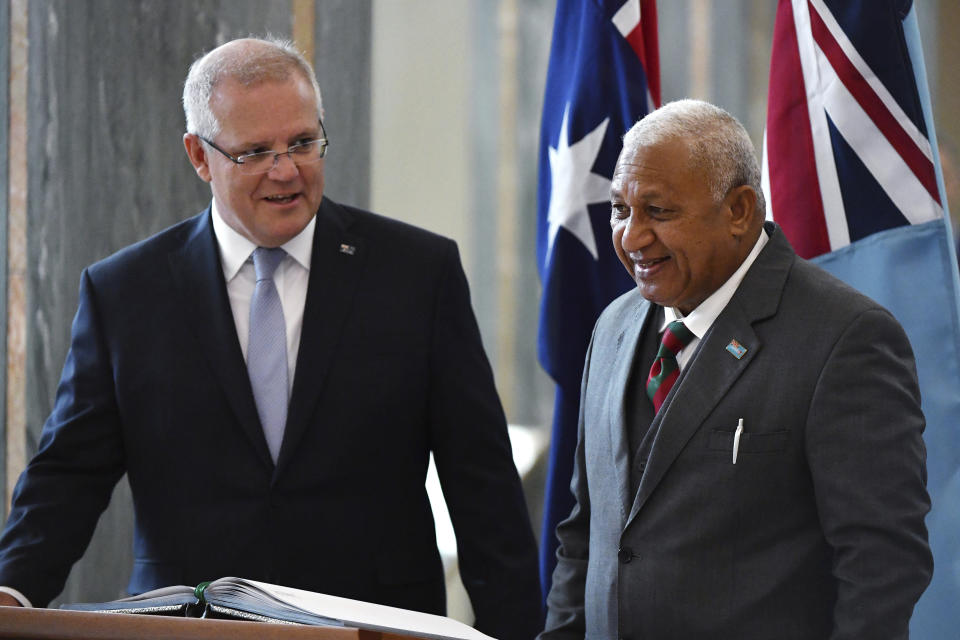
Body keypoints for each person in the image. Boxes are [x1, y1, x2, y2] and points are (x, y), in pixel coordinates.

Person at [0, 37, 542, 639]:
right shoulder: (126, 292)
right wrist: (11, 589)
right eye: (255, 152)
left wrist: (513, 629)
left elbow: (482, 484)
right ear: (199, 156)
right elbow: (68, 475)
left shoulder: (417, 274)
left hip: (375, 627)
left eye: (303, 143)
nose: (286, 171)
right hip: (193, 628)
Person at [539, 99, 932, 639]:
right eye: (620, 209)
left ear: (740, 210)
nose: (631, 238)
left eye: (658, 211)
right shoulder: (613, 325)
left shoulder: (846, 338)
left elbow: (882, 568)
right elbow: (584, 535)